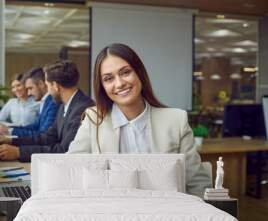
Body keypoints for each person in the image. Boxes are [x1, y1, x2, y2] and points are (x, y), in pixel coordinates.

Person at [68, 43, 211, 196]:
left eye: (125, 72)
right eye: (108, 78)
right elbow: (69, 172)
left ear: (139, 73)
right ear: (102, 86)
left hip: (166, 214)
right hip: (112, 214)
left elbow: (197, 183)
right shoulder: (93, 120)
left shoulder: (176, 120)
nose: (119, 83)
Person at [0, 60, 94, 162]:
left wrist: (19, 152)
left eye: (48, 85)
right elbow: (47, 138)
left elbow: (64, 150)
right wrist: (13, 140)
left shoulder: (83, 108)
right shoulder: (64, 105)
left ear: (55, 86)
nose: (48, 90)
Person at [0, 67, 60, 138]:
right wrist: (10, 130)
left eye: (30, 88)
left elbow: (44, 135)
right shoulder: (45, 101)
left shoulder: (53, 102)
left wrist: (11, 132)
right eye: (13, 87)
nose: (28, 93)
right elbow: (36, 126)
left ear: (41, 84)